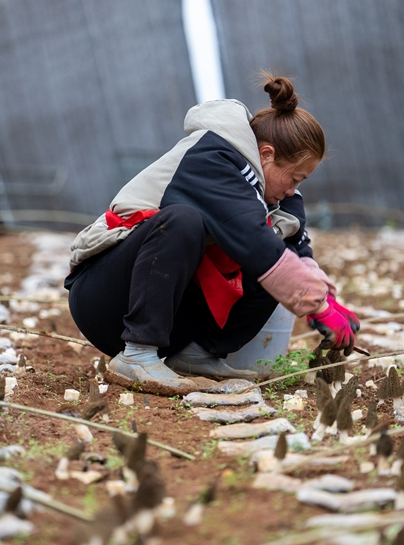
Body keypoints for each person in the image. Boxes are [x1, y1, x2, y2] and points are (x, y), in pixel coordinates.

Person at [64, 75, 359, 395]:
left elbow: (297, 251)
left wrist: (328, 299)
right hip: (103, 301)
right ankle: (138, 354)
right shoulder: (215, 157)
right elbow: (253, 240)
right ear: (267, 155)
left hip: (173, 320)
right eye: (294, 178)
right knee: (183, 221)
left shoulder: (278, 196)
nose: (293, 190)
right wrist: (316, 306)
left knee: (274, 251)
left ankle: (196, 354)